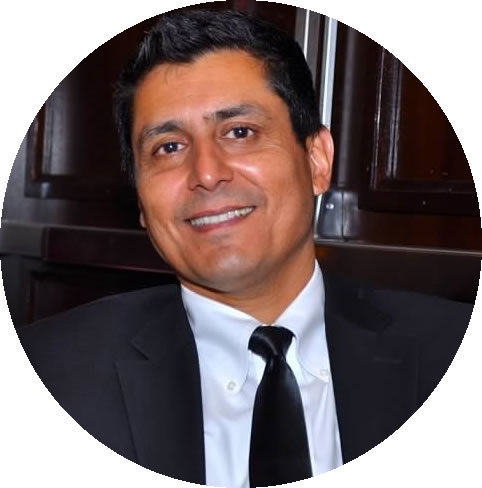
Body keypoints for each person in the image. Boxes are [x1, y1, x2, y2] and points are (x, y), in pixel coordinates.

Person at [18, 8, 472, 488]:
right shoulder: (43, 378)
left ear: (317, 161)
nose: (206, 173)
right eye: (169, 147)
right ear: (142, 202)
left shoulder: (455, 352)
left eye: (240, 132)